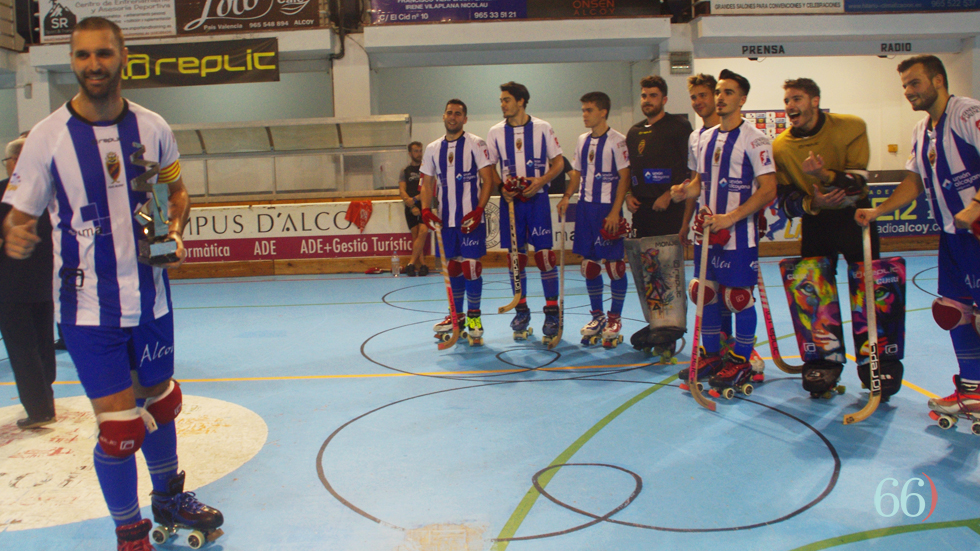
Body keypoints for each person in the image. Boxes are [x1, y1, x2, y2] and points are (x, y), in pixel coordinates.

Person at [2, 17, 222, 550]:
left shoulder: (153, 128)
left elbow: (181, 192)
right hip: (87, 308)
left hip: (152, 299)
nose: (93, 65)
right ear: (72, 62)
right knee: (121, 428)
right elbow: (18, 211)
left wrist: (173, 229)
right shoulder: (47, 139)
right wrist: (16, 230)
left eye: (102, 54)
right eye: (82, 56)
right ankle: (130, 533)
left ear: (123, 55)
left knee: (162, 402)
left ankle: (169, 496)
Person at [855, 54, 980, 420]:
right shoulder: (921, 131)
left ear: (939, 81)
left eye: (915, 83)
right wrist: (879, 210)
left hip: (977, 234)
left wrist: (975, 205)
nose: (909, 91)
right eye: (905, 86)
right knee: (954, 313)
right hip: (952, 239)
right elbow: (914, 181)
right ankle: (972, 390)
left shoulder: (967, 114)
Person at [772, 78, 900, 398]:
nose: (790, 106)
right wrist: (813, 202)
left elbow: (859, 184)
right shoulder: (781, 147)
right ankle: (824, 359)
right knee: (814, 291)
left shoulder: (850, 127)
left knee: (870, 286)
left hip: (856, 216)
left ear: (815, 101)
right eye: (787, 100)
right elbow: (785, 200)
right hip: (818, 222)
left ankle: (879, 358)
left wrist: (824, 176)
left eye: (797, 99)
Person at [670, 69, 777, 391]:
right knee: (706, 295)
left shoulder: (755, 139)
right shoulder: (704, 137)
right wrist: (683, 191)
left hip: (738, 236)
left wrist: (732, 217)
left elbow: (769, 188)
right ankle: (713, 355)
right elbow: (700, 184)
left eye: (728, 92)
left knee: (739, 298)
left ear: (742, 99)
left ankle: (741, 361)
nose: (720, 97)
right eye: (718, 91)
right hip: (707, 234)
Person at [486, 81, 565, 341]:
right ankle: (521, 311)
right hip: (511, 204)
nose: (502, 104)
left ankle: (552, 313)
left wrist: (541, 181)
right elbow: (490, 168)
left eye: (506, 99)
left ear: (521, 101)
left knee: (544, 258)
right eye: (501, 100)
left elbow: (559, 163)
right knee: (515, 259)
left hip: (538, 201)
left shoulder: (543, 128)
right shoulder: (495, 132)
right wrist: (501, 188)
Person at [624, 75, 694, 350]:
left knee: (667, 271)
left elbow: (690, 169)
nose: (647, 100)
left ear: (664, 99)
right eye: (644, 95)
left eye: (653, 95)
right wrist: (629, 195)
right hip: (643, 213)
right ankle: (658, 323)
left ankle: (672, 327)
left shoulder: (679, 126)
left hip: (670, 210)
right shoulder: (633, 132)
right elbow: (630, 171)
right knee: (648, 271)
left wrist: (669, 195)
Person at [557, 92, 631, 346]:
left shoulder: (617, 141)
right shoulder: (581, 140)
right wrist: (567, 196)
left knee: (614, 266)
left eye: (589, 110)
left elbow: (625, 176)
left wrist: (614, 211)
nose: (584, 115)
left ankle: (615, 317)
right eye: (583, 110)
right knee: (589, 266)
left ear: (603, 112)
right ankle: (598, 316)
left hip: (606, 210)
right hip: (586, 208)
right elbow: (576, 173)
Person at [420, 99, 495, 344]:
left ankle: (474, 317)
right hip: (446, 220)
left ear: (465, 118)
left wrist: (479, 210)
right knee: (453, 267)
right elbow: (428, 182)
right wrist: (425, 210)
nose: (453, 117)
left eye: (458, 113)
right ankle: (457, 315)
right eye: (449, 113)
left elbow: (487, 179)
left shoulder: (476, 143)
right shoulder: (432, 148)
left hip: (469, 219)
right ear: (444, 116)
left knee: (470, 267)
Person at [0, 136, 57, 429]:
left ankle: (39, 408)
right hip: (45, 282)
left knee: (22, 349)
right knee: (43, 343)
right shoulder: (49, 193)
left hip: (10, 287)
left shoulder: (4, 195)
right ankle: (46, 399)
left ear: (11, 163)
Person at [398, 141, 429, 276]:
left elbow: (427, 189)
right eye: (416, 151)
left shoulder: (426, 169)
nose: (419, 153)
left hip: (424, 204)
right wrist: (410, 203)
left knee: (423, 232)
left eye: (420, 150)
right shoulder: (405, 171)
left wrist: (415, 200)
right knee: (415, 235)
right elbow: (402, 189)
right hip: (410, 206)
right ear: (410, 154)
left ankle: (411, 262)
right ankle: (421, 265)